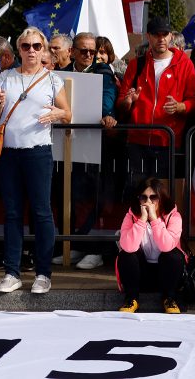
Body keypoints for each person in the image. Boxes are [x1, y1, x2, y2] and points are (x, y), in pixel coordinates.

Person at [0, 27, 71, 295]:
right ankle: (11, 272)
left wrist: (58, 113)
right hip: (10, 153)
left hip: (38, 152)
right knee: (12, 213)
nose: (32, 51)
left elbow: (68, 114)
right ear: (19, 50)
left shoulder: (52, 79)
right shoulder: (4, 78)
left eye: (37, 46)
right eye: (26, 46)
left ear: (44, 49)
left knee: (42, 212)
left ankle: (43, 274)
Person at [58, 31, 119, 271]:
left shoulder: (102, 72)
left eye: (92, 51)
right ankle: (72, 244)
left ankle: (93, 248)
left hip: (95, 142)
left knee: (94, 196)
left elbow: (106, 100)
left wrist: (104, 114)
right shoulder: (62, 73)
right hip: (66, 142)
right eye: (83, 50)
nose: (88, 55)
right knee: (70, 195)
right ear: (72, 51)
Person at [116, 16, 195, 177]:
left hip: (168, 140)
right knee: (137, 191)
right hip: (137, 140)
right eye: (156, 34)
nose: (161, 39)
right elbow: (121, 103)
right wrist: (128, 101)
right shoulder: (136, 64)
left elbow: (194, 100)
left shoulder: (185, 64)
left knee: (163, 194)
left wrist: (180, 106)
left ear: (171, 36)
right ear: (148, 36)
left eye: (164, 34)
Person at [116, 177, 186, 314]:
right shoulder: (130, 216)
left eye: (153, 198)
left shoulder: (174, 216)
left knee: (173, 255)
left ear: (161, 198)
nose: (148, 202)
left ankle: (169, 298)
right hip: (141, 275)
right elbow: (128, 247)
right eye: (143, 198)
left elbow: (166, 246)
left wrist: (154, 219)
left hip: (166, 275)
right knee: (126, 254)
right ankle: (131, 299)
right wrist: (142, 220)